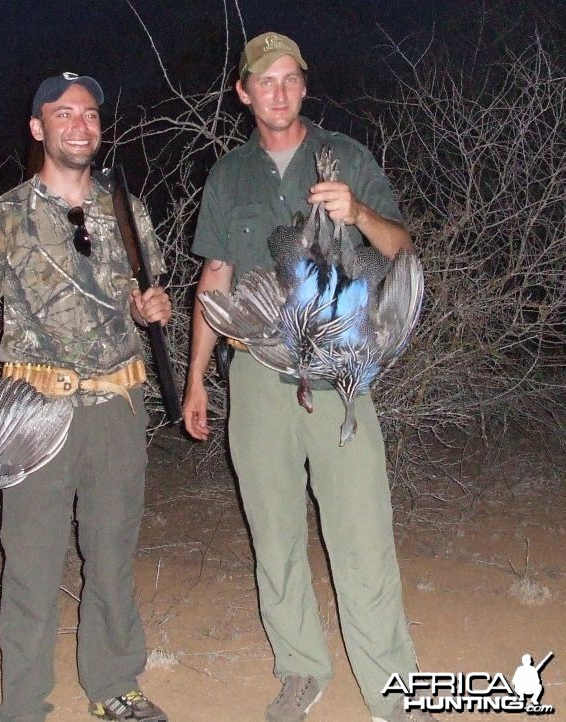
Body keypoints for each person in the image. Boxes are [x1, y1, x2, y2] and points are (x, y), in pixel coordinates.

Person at [183, 33, 436, 722]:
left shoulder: (347, 156)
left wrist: (356, 213)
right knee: (275, 536)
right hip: (258, 382)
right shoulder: (228, 176)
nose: (279, 90)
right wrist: (196, 379)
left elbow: (402, 249)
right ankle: (300, 668)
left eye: (290, 78)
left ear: (304, 85)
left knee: (362, 536)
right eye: (265, 81)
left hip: (340, 378)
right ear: (243, 92)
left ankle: (394, 689)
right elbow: (215, 279)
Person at [0, 72, 171, 722]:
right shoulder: (4, 215)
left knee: (112, 554)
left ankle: (114, 683)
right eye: (64, 115)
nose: (79, 124)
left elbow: (146, 303)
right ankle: (25, 702)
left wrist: (153, 307)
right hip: (35, 411)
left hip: (118, 407)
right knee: (31, 563)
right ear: (39, 129)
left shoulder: (128, 210)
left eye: (89, 114)